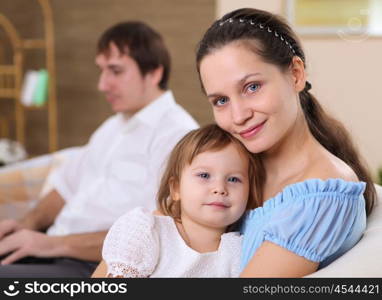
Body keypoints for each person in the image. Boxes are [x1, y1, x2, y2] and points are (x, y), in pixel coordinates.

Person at [0, 21, 198, 277]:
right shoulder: (112, 126)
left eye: (115, 71)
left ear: (154, 74)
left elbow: (159, 232)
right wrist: (24, 226)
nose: (102, 85)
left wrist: (51, 244)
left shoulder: (176, 136)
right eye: (102, 71)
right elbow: (64, 187)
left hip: (94, 265)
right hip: (50, 247)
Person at [195, 8, 377, 277]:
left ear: (295, 74)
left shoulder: (323, 198)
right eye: (221, 101)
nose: (239, 116)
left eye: (252, 87)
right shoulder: (229, 170)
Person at [92, 124, 261, 277]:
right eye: (204, 175)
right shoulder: (148, 232)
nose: (220, 188)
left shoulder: (239, 251)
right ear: (176, 189)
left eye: (233, 179)